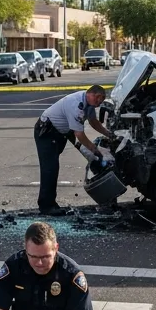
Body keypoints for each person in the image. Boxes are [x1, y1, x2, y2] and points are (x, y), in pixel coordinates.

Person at [34, 84, 114, 215]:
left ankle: (107, 196)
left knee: (92, 157)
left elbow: (93, 122)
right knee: (50, 168)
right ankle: (46, 206)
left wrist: (110, 135)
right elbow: (79, 134)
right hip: (47, 132)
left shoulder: (89, 103)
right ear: (95, 95)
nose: (99, 105)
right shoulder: (76, 105)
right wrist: (95, 150)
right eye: (99, 101)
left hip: (63, 131)